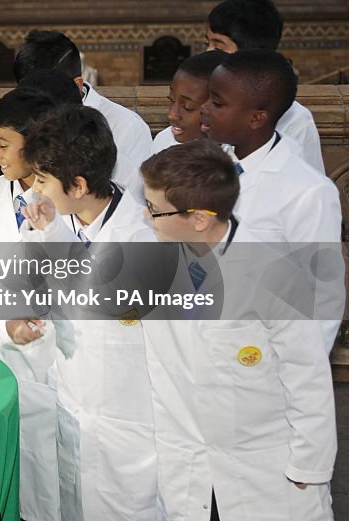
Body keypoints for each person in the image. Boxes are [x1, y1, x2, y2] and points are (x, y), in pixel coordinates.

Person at [140, 140, 337, 521]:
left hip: (265, 468)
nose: (147, 218)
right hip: (187, 464)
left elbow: (306, 375)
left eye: (155, 210)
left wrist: (308, 465)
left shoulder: (275, 273)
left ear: (199, 218)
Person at [20, 105, 159, 521]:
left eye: (42, 181)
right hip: (76, 406)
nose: (34, 191)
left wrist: (53, 237)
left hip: (128, 423)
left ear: (77, 185)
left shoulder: (140, 238)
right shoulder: (62, 221)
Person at [0, 85, 70, 521]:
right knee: (11, 483)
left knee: (59, 485)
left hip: (57, 366)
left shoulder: (70, 200)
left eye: (4, 144)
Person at [199, 49, 344, 350]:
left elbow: (321, 298)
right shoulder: (203, 168)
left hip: (262, 358)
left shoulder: (307, 192)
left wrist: (298, 377)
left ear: (256, 118)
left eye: (217, 103)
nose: (204, 109)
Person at [203, 0, 324, 173]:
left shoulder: (296, 121)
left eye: (218, 46)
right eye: (208, 43)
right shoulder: (201, 100)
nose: (208, 52)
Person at [13, 29, 153, 182]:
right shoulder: (17, 121)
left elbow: (136, 197)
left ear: (77, 85)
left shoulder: (128, 127)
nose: (35, 104)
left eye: (45, 94)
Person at [152, 50, 227, 152]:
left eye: (188, 107)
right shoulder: (165, 141)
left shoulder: (241, 157)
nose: (172, 115)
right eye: (172, 101)